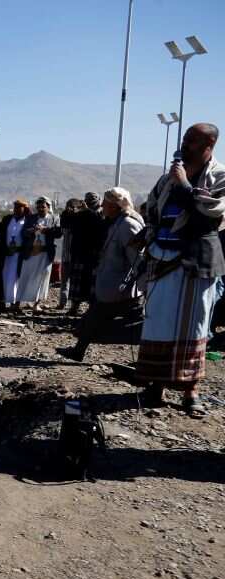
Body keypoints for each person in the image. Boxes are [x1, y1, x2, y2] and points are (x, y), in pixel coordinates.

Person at [136, 123, 225, 415]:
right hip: (162, 259)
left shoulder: (220, 176)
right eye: (185, 138)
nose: (184, 144)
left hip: (196, 261)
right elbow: (150, 211)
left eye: (191, 140)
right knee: (159, 322)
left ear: (209, 144)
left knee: (193, 326)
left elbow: (209, 215)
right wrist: (150, 241)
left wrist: (185, 184)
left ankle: (190, 390)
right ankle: (157, 385)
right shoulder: (167, 180)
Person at [61, 188, 144, 362]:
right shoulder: (114, 223)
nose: (103, 206)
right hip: (110, 286)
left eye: (106, 203)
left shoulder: (128, 225)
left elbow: (138, 260)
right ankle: (78, 351)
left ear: (115, 206)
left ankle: (143, 360)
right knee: (91, 320)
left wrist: (143, 286)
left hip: (122, 289)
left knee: (138, 326)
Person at [62, 192, 104, 315]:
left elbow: (100, 225)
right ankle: (74, 306)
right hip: (79, 253)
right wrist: (67, 212)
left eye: (93, 200)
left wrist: (88, 211)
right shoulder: (80, 214)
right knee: (77, 282)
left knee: (91, 283)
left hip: (93, 254)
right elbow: (65, 224)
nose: (90, 203)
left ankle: (92, 308)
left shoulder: (101, 214)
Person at [16, 197, 60, 310]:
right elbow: (24, 233)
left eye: (43, 207)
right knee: (26, 276)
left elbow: (58, 233)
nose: (41, 209)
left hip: (45, 253)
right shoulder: (31, 218)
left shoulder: (54, 218)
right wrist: (32, 230)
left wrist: (46, 230)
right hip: (31, 252)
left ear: (48, 207)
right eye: (39, 207)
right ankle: (18, 302)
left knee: (43, 278)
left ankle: (36, 303)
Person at [2, 199, 30, 308]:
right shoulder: (8, 219)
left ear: (24, 209)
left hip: (19, 254)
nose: (16, 209)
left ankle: (16, 303)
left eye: (19, 207)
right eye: (15, 207)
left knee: (17, 278)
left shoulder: (27, 221)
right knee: (6, 277)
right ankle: (6, 300)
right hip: (7, 254)